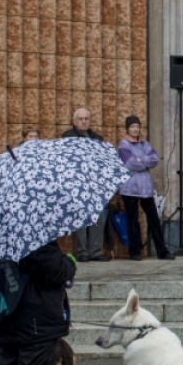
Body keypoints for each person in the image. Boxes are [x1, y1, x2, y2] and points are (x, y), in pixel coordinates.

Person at [118, 115, 171, 261]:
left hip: (146, 188)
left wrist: (140, 160)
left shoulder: (144, 143)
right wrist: (144, 160)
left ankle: (162, 251)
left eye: (137, 126)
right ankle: (135, 251)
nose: (135, 129)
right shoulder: (123, 145)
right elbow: (130, 163)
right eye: (132, 126)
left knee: (154, 219)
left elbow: (155, 159)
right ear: (127, 128)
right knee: (132, 220)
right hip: (130, 188)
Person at [62, 109, 110, 262]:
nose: (83, 121)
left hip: (94, 183)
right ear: (74, 121)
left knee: (98, 217)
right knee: (80, 218)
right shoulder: (68, 137)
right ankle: (82, 251)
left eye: (86, 118)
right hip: (77, 183)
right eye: (80, 119)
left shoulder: (97, 138)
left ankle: (95, 251)